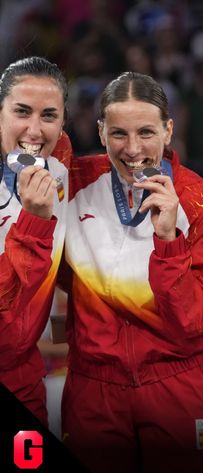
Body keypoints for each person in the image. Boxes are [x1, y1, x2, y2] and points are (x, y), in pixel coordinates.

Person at [61, 71, 203, 473]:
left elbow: (196, 321)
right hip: (93, 384)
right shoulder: (73, 182)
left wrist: (169, 239)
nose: (133, 149)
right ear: (100, 131)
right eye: (118, 133)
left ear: (169, 130)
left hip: (178, 378)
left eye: (146, 132)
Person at [0, 56, 69, 425]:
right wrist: (35, 223)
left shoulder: (60, 163)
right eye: (22, 112)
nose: (35, 131)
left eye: (49, 116)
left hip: (26, 377)